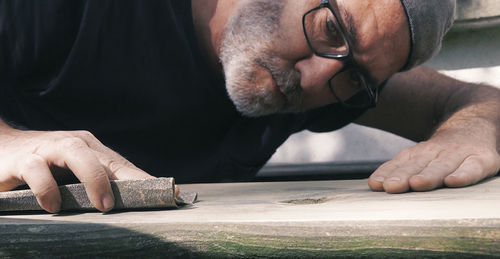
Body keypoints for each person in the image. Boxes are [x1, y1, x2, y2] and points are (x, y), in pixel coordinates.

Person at [0, 0, 499, 213]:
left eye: (356, 78)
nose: (318, 78)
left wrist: (469, 131)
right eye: (331, 29)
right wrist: (9, 142)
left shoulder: (320, 86)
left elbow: (471, 98)